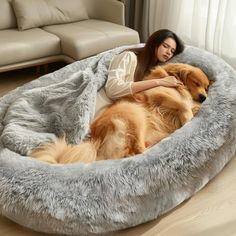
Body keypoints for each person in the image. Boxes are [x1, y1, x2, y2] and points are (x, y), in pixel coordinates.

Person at [95, 29, 185, 119]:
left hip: (122, 113)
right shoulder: (128, 56)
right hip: (100, 108)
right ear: (154, 43)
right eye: (165, 46)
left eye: (172, 51)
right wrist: (159, 82)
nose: (169, 52)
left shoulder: (152, 71)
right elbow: (112, 90)